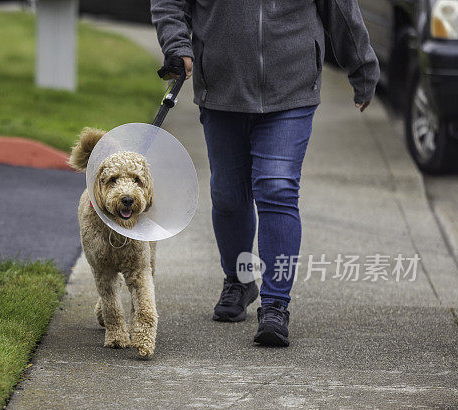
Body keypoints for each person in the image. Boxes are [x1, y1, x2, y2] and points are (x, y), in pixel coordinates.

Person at [151, 0, 379, 347]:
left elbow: (340, 7)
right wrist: (177, 44)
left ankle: (275, 304)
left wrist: (361, 65)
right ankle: (240, 281)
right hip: (223, 87)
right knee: (228, 194)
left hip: (292, 84)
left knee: (277, 187)